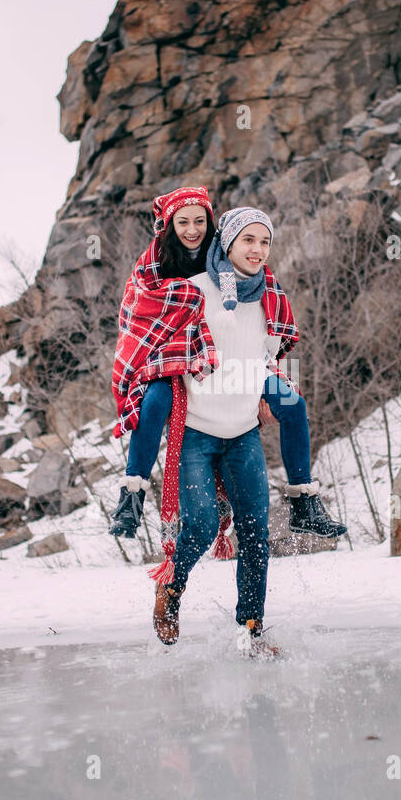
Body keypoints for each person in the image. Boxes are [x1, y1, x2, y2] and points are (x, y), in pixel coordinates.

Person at [109, 187, 345, 543]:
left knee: (293, 404)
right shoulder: (154, 262)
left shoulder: (222, 254)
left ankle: (304, 504)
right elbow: (138, 311)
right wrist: (183, 304)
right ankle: (131, 498)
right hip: (169, 352)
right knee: (155, 403)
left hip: (237, 361)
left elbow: (257, 314)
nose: (192, 229)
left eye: (200, 221)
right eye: (183, 221)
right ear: (168, 224)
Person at [149, 206, 288, 656]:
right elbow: (157, 352)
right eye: (249, 240)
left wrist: (276, 392)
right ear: (226, 242)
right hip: (195, 430)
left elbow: (277, 353)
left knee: (255, 530)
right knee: (204, 523)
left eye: (265, 242)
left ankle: (251, 628)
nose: (258, 250)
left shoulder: (270, 294)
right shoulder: (193, 291)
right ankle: (171, 589)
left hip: (244, 431)